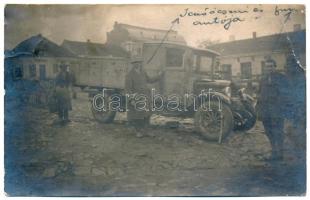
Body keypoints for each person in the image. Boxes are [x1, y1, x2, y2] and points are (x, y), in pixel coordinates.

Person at [256, 58, 289, 161]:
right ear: (265, 67)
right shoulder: (263, 79)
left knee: (278, 131)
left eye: (271, 66)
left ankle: (280, 153)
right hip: (265, 110)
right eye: (267, 66)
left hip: (277, 110)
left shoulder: (281, 78)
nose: (269, 68)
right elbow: (260, 94)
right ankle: (274, 151)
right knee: (268, 131)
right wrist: (259, 107)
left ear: (275, 67)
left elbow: (286, 94)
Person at [125, 57, 163, 137]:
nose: (137, 64)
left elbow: (150, 80)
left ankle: (147, 131)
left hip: (146, 96)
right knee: (138, 116)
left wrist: (158, 76)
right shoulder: (129, 75)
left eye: (138, 62)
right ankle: (138, 131)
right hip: (137, 97)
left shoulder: (143, 72)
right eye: (135, 62)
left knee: (147, 115)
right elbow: (128, 89)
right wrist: (131, 99)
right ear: (132, 64)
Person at [285, 53, 306, 161]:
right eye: (287, 64)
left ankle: (301, 154)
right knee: (293, 131)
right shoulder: (288, 76)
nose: (288, 66)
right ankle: (297, 153)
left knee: (300, 130)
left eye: (291, 64)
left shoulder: (302, 74)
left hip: (301, 106)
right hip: (293, 106)